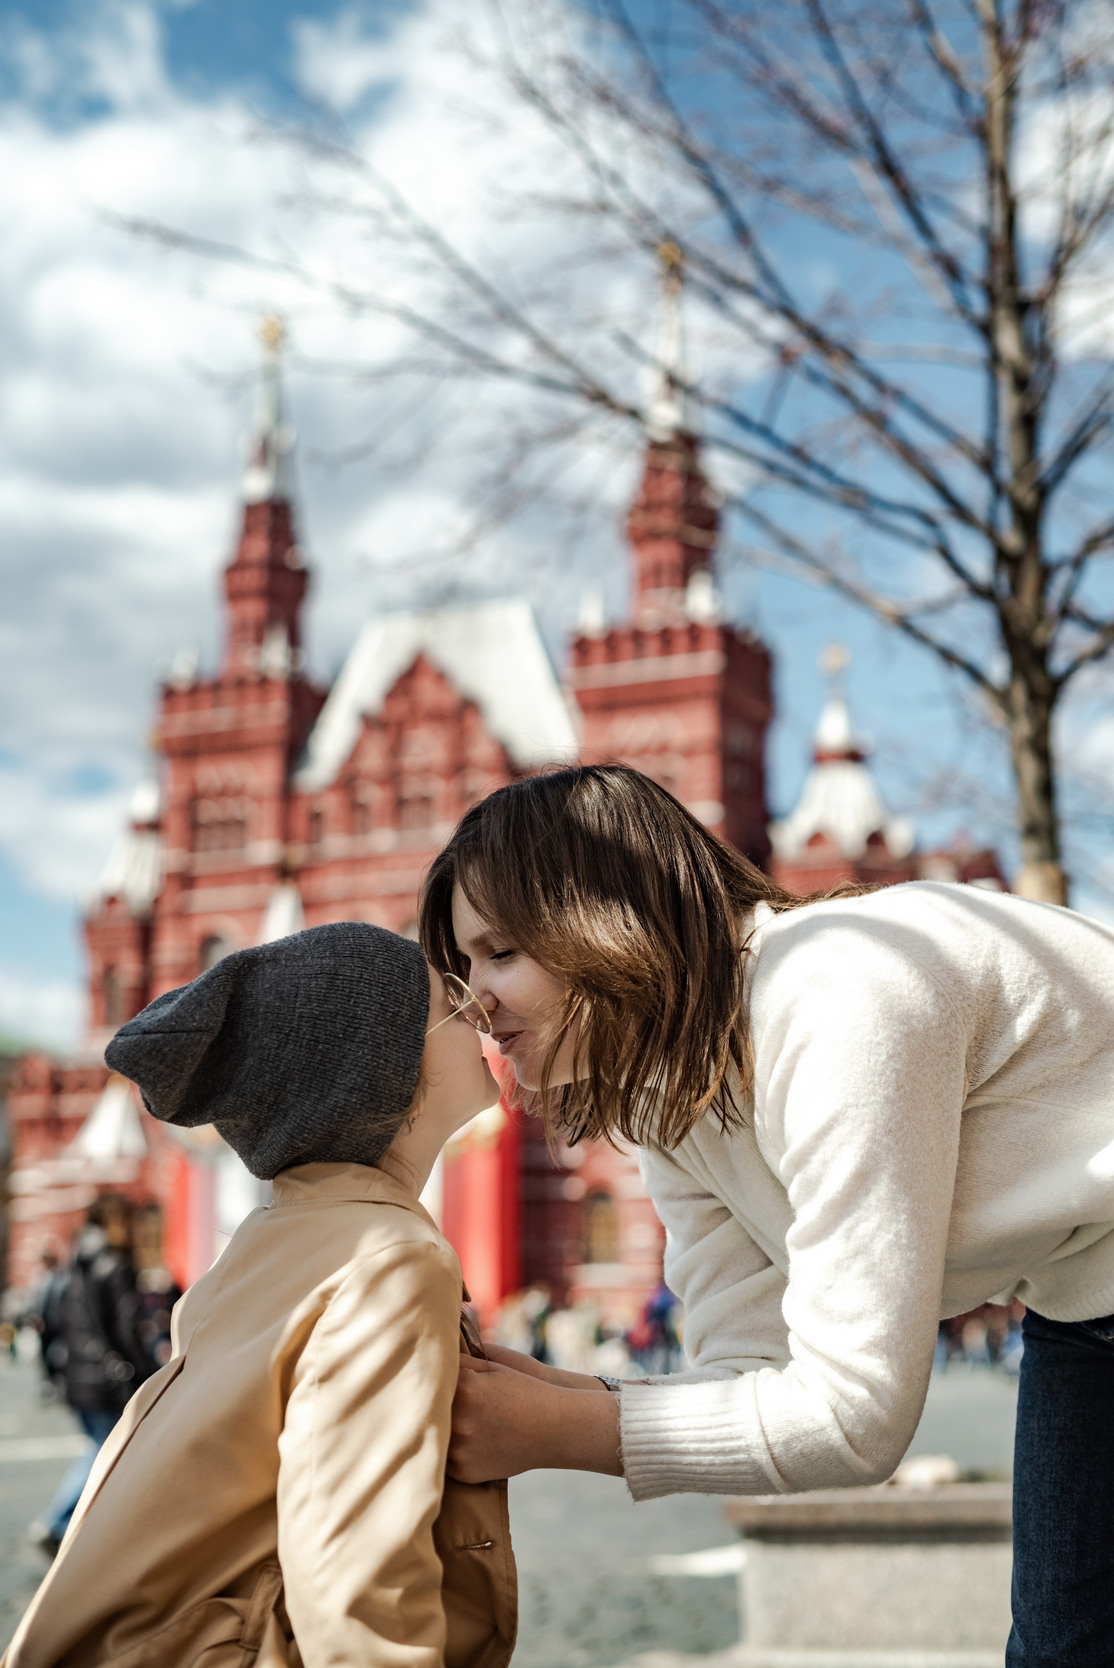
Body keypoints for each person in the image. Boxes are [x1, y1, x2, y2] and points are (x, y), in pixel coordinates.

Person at [419, 764, 1114, 1668]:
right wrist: (562, 1395)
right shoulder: (669, 1093)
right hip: (1082, 1303)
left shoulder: (836, 996)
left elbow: (854, 1417)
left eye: (503, 952)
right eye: (463, 964)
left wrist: (555, 1430)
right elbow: (751, 1371)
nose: (473, 998)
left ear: (603, 916)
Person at [4, 922, 516, 1668]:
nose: (479, 1010)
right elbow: (358, 1595)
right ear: (381, 1066)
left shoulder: (264, 1246)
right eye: (450, 998)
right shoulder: (389, 1260)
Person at [28, 1197, 156, 1557]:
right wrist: (149, 1373)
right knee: (105, 1451)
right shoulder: (115, 1263)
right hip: (107, 1381)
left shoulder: (76, 1261)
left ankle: (72, 1527)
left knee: (99, 1447)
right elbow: (127, 1330)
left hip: (79, 1376)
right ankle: (57, 1523)